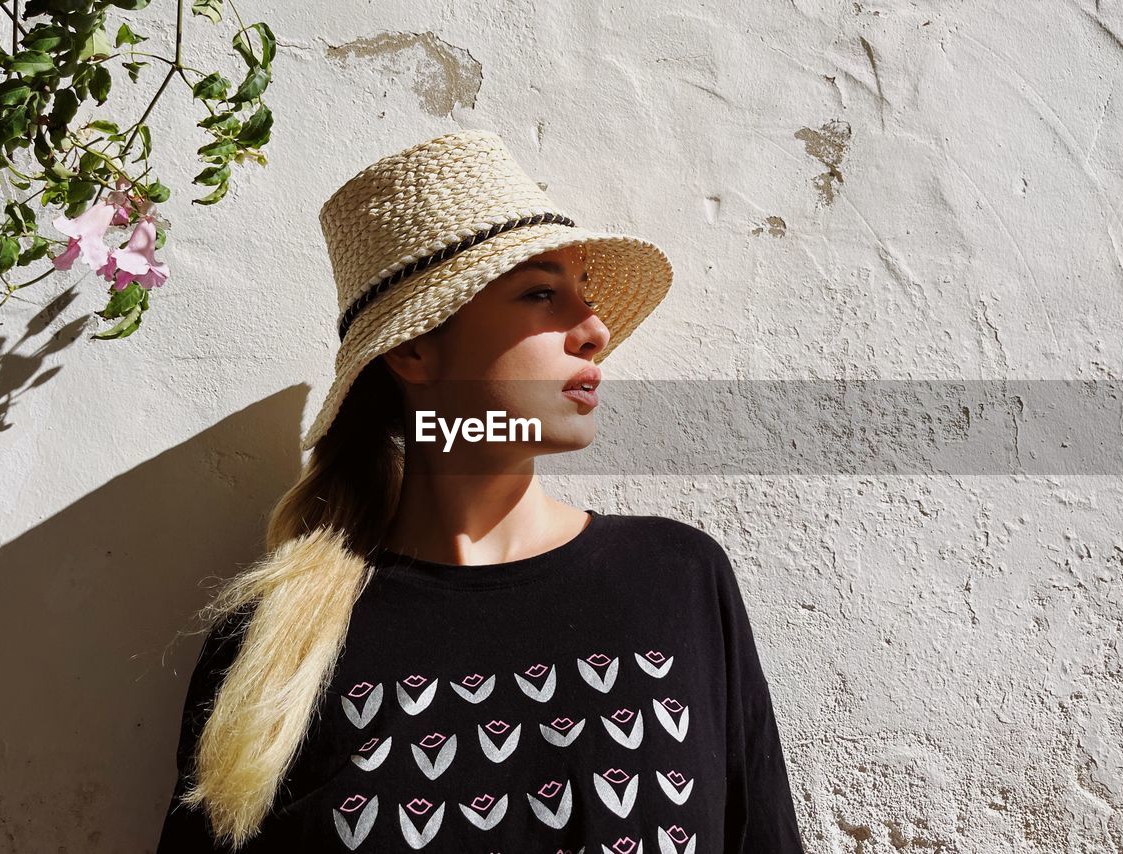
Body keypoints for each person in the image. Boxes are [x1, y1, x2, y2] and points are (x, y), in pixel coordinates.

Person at [155, 129, 806, 852]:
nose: (593, 330)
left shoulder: (676, 580)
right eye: (540, 294)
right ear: (413, 347)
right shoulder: (274, 652)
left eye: (584, 295)